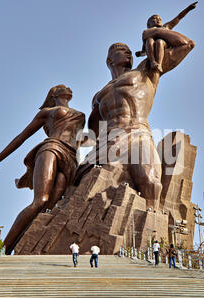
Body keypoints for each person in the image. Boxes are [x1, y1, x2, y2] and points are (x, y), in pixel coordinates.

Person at [78, 19, 195, 213]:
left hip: (138, 133)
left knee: (150, 183)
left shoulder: (146, 70)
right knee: (87, 183)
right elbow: (92, 132)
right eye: (120, 50)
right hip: (110, 140)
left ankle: (151, 236)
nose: (128, 52)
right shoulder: (99, 96)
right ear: (109, 60)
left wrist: (154, 32)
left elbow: (187, 44)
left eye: (129, 51)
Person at [0, 85, 88, 255]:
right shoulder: (47, 112)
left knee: (51, 206)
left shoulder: (80, 114)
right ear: (54, 94)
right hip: (52, 147)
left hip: (72, 158)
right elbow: (22, 136)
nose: (67, 87)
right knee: (40, 200)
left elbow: (84, 139)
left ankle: (28, 246)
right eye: (62, 87)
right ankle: (3, 249)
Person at [135, 2, 197, 72]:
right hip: (152, 47)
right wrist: (140, 53)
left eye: (159, 19)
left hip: (164, 45)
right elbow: (145, 48)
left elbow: (178, 17)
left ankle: (159, 64)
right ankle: (153, 61)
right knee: (149, 40)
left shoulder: (166, 27)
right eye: (154, 19)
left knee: (159, 42)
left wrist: (188, 9)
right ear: (149, 24)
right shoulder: (147, 32)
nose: (158, 20)